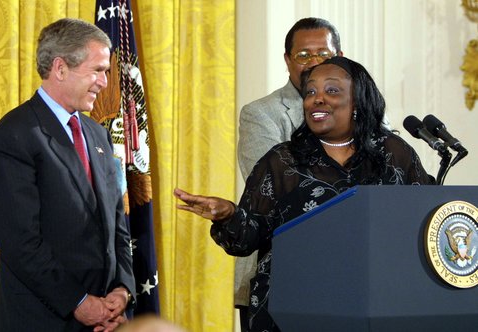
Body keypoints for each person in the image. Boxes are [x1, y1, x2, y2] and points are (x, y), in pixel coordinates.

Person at [174, 56, 434, 331]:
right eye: (311, 91)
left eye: (331, 90)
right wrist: (228, 215)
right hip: (293, 310)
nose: (317, 99)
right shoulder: (283, 161)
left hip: (379, 302)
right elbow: (248, 238)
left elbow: (423, 221)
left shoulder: (393, 152)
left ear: (357, 101)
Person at [0, 18, 136, 331]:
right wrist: (78, 302)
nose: (105, 82)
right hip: (43, 319)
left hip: (105, 319)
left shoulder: (97, 135)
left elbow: (116, 222)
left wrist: (122, 289)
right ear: (60, 68)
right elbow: (20, 243)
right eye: (97, 71)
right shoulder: (14, 136)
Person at [235, 17, 343, 330]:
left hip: (351, 272)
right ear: (287, 61)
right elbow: (279, 186)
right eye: (304, 55)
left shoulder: (366, 112)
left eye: (323, 53)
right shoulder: (261, 114)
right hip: (278, 274)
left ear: (340, 57)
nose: (314, 62)